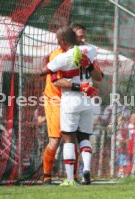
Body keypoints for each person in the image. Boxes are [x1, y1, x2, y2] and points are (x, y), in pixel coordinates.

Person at [41, 24, 103, 185]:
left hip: (73, 100)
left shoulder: (85, 52)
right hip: (56, 99)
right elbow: (56, 82)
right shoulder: (58, 55)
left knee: (71, 139)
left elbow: (99, 76)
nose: (83, 39)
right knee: (57, 140)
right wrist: (80, 86)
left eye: (84, 36)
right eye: (80, 36)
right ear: (71, 37)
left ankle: (72, 178)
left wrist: (89, 65)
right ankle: (47, 177)